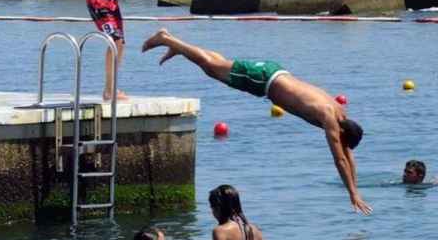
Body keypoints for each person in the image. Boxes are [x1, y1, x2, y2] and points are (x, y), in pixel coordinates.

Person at [141, 29, 372, 215]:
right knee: (212, 67)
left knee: (217, 66)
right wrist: (352, 194)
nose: (340, 144)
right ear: (342, 133)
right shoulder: (329, 118)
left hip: (275, 74)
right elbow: (340, 158)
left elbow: (347, 153)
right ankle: (167, 39)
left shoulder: (340, 113)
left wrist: (356, 188)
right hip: (264, 81)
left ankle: (178, 47)